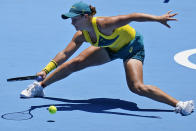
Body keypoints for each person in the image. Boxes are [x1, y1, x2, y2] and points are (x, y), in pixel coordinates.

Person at [20, 1, 194, 116]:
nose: (72, 23)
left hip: (132, 48)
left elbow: (133, 16)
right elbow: (65, 54)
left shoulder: (106, 24)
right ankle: (39, 87)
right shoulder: (81, 35)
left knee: (137, 87)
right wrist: (45, 70)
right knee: (74, 63)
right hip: (110, 48)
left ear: (85, 16)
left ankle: (180, 104)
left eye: (74, 19)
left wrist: (159, 18)